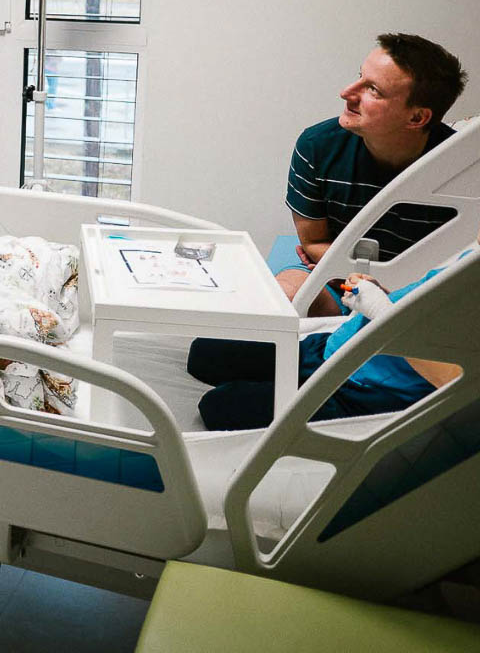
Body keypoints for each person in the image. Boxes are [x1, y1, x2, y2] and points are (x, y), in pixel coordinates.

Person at [188, 232, 472, 430]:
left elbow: (456, 380)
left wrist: (381, 311)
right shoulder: (472, 261)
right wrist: (376, 293)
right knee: (205, 353)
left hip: (361, 394)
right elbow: (420, 308)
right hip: (332, 349)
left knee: (218, 407)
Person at [279, 33, 467, 315]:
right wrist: (351, 277)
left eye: (373, 90)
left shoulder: (462, 168)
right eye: (359, 77)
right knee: (285, 297)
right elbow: (314, 242)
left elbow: (464, 261)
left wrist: (386, 293)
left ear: (417, 117)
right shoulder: (316, 147)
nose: (347, 93)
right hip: (340, 278)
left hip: (426, 289)